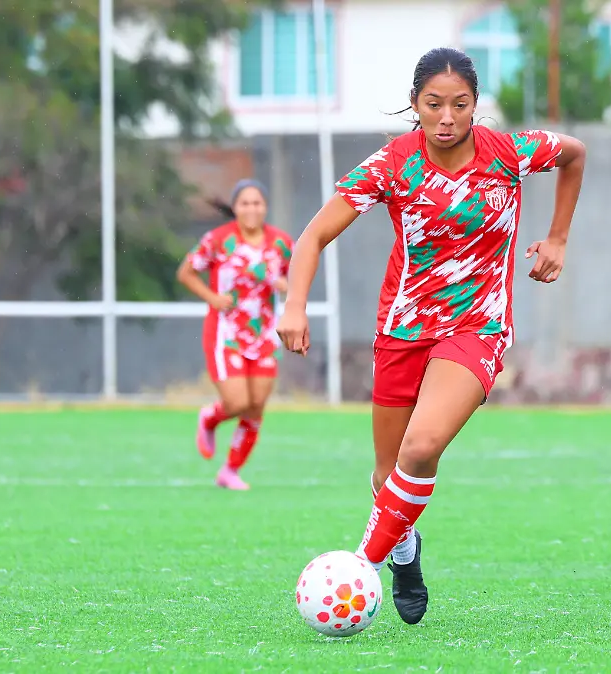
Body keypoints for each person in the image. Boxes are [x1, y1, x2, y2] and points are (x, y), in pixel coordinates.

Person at [276, 47, 586, 626]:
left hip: (477, 325)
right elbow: (312, 236)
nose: (447, 117)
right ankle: (404, 551)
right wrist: (295, 304)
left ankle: (358, 571)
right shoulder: (392, 165)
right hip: (403, 328)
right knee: (386, 473)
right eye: (433, 105)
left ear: (476, 106)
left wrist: (558, 237)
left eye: (460, 105)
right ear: (415, 106)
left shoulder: (510, 152)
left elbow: (574, 153)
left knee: (421, 450)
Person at [176, 179, 294, 491]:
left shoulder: (280, 243)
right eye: (245, 203)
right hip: (226, 333)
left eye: (257, 203)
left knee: (256, 405)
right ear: (235, 207)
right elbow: (186, 272)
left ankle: (230, 471)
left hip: (265, 334)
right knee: (238, 401)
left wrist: (286, 285)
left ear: (265, 207)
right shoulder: (218, 240)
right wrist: (212, 298)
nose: (252, 209)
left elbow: (293, 275)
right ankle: (210, 419)